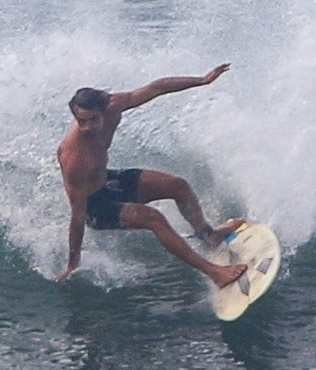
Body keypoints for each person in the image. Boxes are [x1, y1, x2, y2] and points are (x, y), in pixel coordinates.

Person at [55, 64, 246, 289]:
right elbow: (78, 215)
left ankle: (209, 236)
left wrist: (202, 80)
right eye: (81, 121)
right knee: (153, 218)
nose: (87, 127)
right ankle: (214, 273)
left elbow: (156, 88)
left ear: (105, 109)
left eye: (93, 119)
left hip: (107, 180)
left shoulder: (114, 106)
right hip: (94, 206)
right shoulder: (74, 156)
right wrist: (73, 262)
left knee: (177, 185)